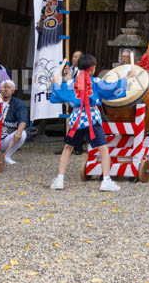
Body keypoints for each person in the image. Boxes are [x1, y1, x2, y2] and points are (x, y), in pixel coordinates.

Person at [49, 53, 137, 192]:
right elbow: (112, 87)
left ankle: (60, 179)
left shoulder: (71, 83)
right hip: (92, 118)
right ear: (92, 69)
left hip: (76, 118)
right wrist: (128, 77)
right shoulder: (96, 82)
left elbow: (58, 91)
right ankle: (106, 180)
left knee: (68, 148)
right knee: (103, 148)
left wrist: (55, 84)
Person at [0, 79, 28, 165]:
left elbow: (23, 120)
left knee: (22, 133)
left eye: (8, 87)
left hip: (6, 139)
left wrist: (18, 133)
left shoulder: (18, 103)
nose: (6, 90)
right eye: (3, 87)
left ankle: (6, 156)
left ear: (13, 90)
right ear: (0, 90)